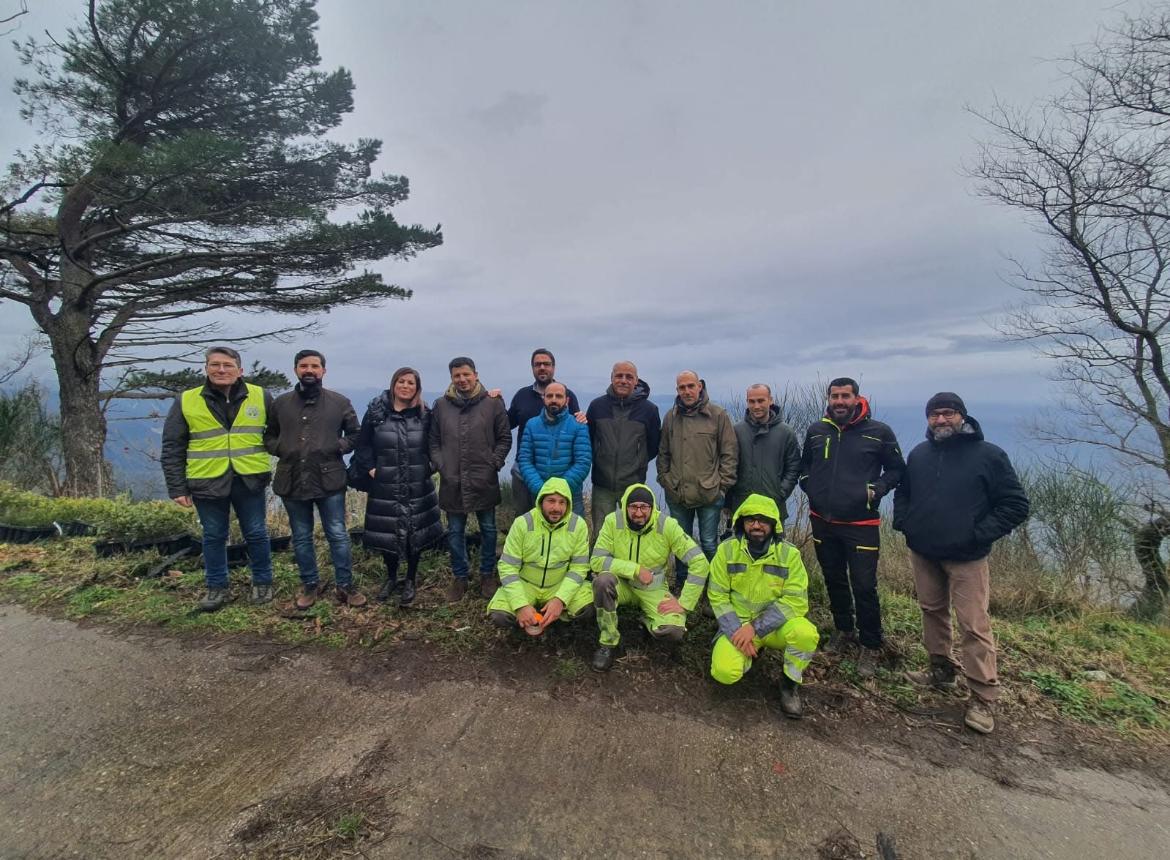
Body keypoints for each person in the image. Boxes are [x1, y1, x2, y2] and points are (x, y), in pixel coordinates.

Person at [893, 392, 1030, 735]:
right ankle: (941, 670)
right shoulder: (920, 454)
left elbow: (1015, 504)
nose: (941, 420)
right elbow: (903, 492)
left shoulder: (989, 455)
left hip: (967, 557)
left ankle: (983, 696)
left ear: (962, 416)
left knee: (973, 624)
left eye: (948, 413)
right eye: (934, 414)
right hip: (924, 550)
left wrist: (978, 534)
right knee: (931, 610)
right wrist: (905, 523)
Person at [797, 377, 904, 677]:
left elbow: (897, 469)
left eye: (845, 396)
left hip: (861, 523)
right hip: (822, 520)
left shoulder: (879, 432)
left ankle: (871, 644)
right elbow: (805, 465)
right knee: (833, 578)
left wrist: (877, 489)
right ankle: (843, 629)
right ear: (828, 399)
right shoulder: (817, 430)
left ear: (857, 398)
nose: (840, 401)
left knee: (864, 585)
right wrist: (809, 486)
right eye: (835, 396)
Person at [161, 346, 275, 611]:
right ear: (206, 368)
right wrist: (177, 487)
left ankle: (263, 582)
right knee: (213, 535)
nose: (221, 370)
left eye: (227, 365)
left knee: (257, 533)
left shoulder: (261, 396)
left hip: (249, 478)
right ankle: (216, 587)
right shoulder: (186, 400)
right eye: (215, 365)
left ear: (240, 370)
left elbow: (276, 433)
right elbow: (173, 446)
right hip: (207, 480)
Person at [265, 349, 363, 608]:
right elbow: (269, 435)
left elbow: (356, 434)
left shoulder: (339, 402)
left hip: (329, 478)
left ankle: (345, 585)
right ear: (296, 370)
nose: (309, 370)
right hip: (292, 478)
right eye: (304, 366)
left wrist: (336, 446)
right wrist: (281, 448)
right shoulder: (281, 403)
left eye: (314, 366)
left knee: (337, 534)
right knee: (301, 536)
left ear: (323, 371)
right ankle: (310, 585)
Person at [708, 494, 819, 719]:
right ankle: (749, 655)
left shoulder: (789, 554)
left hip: (776, 627)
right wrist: (738, 633)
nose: (756, 525)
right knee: (724, 672)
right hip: (738, 625)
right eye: (750, 520)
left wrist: (755, 629)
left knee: (805, 634)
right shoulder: (726, 550)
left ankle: (789, 684)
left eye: (763, 520)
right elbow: (717, 596)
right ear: (741, 522)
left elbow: (796, 600)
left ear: (773, 524)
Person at [589, 484, 710, 671]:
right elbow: (597, 560)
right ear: (625, 506)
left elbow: (700, 562)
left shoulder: (667, 525)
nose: (638, 513)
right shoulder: (613, 521)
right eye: (633, 507)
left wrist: (685, 602)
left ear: (652, 507)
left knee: (673, 632)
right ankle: (608, 643)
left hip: (653, 589)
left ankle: (647, 621)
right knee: (602, 582)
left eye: (644, 507)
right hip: (622, 584)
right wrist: (635, 570)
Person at [350, 367, 444, 608]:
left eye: (410, 383)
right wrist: (371, 468)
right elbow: (363, 445)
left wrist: (430, 467)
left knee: (415, 532)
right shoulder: (376, 412)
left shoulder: (424, 414)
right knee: (387, 531)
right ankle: (391, 577)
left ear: (417, 388)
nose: (405, 386)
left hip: (417, 483)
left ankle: (410, 578)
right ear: (393, 384)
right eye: (401, 381)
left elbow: (436, 444)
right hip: (386, 483)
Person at [429, 356, 512, 602]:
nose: (462, 379)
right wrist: (441, 465)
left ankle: (487, 574)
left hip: (483, 478)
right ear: (451, 378)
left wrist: (494, 463)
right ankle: (460, 577)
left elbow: (504, 438)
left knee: (488, 529)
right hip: (452, 479)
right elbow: (433, 441)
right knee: (455, 531)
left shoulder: (493, 404)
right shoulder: (441, 405)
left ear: (476, 375)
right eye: (457, 376)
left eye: (466, 374)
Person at [657, 370, 738, 578]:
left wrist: (722, 486)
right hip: (677, 492)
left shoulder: (718, 415)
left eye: (690, 386)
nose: (687, 391)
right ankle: (683, 582)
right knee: (681, 543)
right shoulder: (670, 417)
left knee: (709, 543)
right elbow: (663, 453)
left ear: (699, 386)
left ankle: (713, 584)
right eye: (682, 387)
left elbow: (729, 453)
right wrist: (665, 480)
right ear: (677, 390)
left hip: (710, 493)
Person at [487, 477, 594, 634]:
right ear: (541, 501)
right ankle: (527, 617)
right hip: (526, 584)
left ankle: (555, 616)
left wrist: (560, 599)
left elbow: (579, 568)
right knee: (500, 616)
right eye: (551, 501)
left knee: (589, 608)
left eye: (562, 502)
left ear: (568, 504)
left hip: (559, 584)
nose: (556, 508)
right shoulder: (522, 523)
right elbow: (508, 567)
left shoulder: (578, 525)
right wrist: (520, 605)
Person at [585, 361, 661, 538]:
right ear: (612, 378)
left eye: (629, 377)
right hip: (602, 484)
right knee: (601, 534)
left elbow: (653, 445)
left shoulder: (649, 410)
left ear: (636, 381)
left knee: (633, 535)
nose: (623, 380)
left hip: (633, 484)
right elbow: (589, 440)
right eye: (619, 376)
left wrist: (637, 461)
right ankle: (600, 559)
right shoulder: (597, 406)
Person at [506, 348, 583, 516]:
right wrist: (495, 401)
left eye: (546, 364)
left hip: (560, 474)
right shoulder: (521, 395)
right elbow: (505, 424)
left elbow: (576, 424)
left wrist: (559, 486)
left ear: (553, 367)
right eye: (537, 364)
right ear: (532, 368)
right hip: (524, 472)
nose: (542, 367)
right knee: (525, 520)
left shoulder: (567, 394)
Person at [725, 384, 802, 522]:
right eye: (752, 401)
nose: (756, 406)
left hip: (773, 507)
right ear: (747, 402)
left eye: (761, 401)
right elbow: (728, 466)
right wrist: (729, 501)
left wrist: (780, 493)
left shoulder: (786, 433)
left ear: (770, 400)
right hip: (742, 507)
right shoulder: (736, 431)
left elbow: (794, 468)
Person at [517, 382, 592, 517]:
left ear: (567, 400)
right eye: (549, 396)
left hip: (570, 495)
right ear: (543, 398)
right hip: (539, 493)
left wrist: (560, 489)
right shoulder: (532, 425)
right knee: (538, 530)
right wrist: (542, 489)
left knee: (573, 529)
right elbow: (525, 460)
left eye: (558, 396)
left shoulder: (578, 425)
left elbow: (583, 462)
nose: (554, 399)